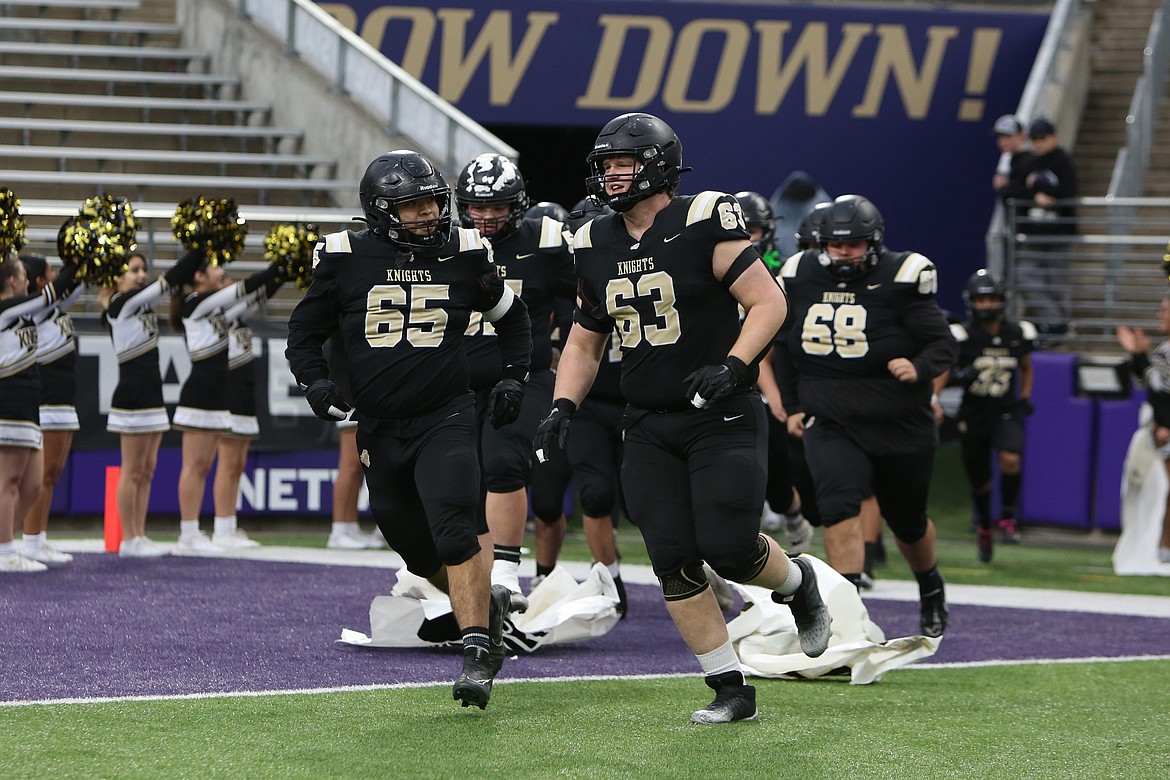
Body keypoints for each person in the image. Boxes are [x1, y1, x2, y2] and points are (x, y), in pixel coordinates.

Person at [534, 112, 831, 724]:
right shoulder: (593, 241)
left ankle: (799, 583)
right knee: (670, 554)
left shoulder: (704, 220)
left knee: (728, 545)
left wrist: (733, 364)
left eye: (626, 162)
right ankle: (729, 686)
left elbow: (769, 302)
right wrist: (564, 403)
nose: (613, 174)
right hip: (647, 419)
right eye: (607, 164)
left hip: (719, 412)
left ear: (660, 165)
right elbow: (586, 341)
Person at [285, 149, 531, 710]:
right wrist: (316, 384)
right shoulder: (346, 256)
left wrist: (515, 378)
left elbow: (511, 317)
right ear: (379, 211)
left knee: (452, 526)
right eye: (411, 206)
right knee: (411, 544)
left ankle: (475, 650)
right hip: (378, 424)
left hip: (445, 413)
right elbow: (303, 330)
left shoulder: (465, 252)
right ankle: (484, 612)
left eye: (430, 202)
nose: (427, 214)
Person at [773, 194, 957, 638]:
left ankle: (930, 587)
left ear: (873, 242)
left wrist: (920, 369)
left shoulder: (902, 277)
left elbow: (944, 345)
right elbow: (783, 346)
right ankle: (847, 615)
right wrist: (794, 404)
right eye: (835, 244)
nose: (843, 252)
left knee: (908, 523)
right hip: (831, 419)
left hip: (899, 421)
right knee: (838, 511)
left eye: (853, 244)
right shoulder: (800, 274)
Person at [454, 152, 576, 612]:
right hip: (460, 382)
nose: (486, 217)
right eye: (478, 208)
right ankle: (482, 586)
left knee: (505, 462)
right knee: (462, 480)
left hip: (525, 373)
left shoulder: (546, 240)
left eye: (497, 207)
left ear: (517, 204)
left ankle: (507, 572)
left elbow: (577, 309)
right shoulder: (448, 243)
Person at [170, 253, 283, 553]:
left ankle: (221, 529)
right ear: (198, 277)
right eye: (215, 268)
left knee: (210, 465)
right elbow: (241, 291)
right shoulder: (193, 303)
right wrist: (274, 265)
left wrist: (281, 273)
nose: (222, 272)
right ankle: (189, 533)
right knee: (195, 467)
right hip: (200, 394)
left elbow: (251, 298)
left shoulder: (216, 311)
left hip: (218, 396)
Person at [101, 249, 203, 557]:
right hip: (131, 397)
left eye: (144, 269)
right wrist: (198, 246)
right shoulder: (120, 304)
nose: (141, 275)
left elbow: (174, 281)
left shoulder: (139, 304)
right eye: (134, 270)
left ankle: (140, 534)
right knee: (132, 469)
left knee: (147, 469)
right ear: (118, 278)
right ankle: (128, 538)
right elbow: (171, 279)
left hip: (152, 394)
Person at [735, 191, 814, 554]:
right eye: (740, 228)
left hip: (763, 378)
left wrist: (780, 393)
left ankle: (792, 514)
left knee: (778, 482)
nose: (746, 236)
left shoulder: (784, 270)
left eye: (752, 229)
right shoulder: (704, 260)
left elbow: (779, 343)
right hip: (718, 379)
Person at [949, 270, 1036, 561]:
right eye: (981, 299)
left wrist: (1024, 396)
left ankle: (1009, 516)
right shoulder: (963, 335)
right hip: (974, 412)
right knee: (980, 481)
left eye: (992, 298)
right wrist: (952, 382)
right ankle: (985, 524)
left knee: (1011, 458)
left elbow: (1025, 366)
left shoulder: (1017, 332)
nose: (986, 305)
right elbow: (945, 372)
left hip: (1005, 409)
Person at [0, 251, 79, 573]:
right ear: (12, 280)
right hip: (8, 401)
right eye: (21, 273)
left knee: (32, 485)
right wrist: (74, 261)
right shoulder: (5, 309)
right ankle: (4, 551)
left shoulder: (26, 313)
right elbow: (52, 292)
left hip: (30, 404)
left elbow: (64, 293)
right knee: (9, 480)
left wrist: (85, 265)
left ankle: (7, 544)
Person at [209, 273, 285, 550]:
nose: (230, 282)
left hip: (244, 394)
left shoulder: (237, 316)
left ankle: (229, 524)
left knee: (238, 464)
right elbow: (252, 294)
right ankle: (221, 527)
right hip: (229, 392)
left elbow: (261, 295)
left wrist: (284, 272)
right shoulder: (219, 313)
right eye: (224, 280)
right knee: (228, 463)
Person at [1117, 294, 1170, 564]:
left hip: (1166, 428)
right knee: (1159, 490)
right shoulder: (1164, 349)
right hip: (1161, 428)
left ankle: (1164, 547)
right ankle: (1161, 547)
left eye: (1164, 310)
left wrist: (1166, 424)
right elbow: (1149, 384)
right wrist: (1138, 355)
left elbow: (1162, 391)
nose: (1160, 315)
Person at [1017, 118, 1078, 339]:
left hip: (1058, 233)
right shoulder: (1029, 163)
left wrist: (1050, 195)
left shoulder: (1063, 161)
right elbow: (1014, 191)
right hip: (1033, 233)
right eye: (1034, 139)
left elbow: (1069, 193)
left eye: (1042, 138)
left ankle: (1060, 328)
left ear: (1054, 138)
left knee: (1056, 283)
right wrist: (1034, 195)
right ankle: (1055, 322)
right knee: (1024, 276)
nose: (1039, 144)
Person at [990, 114, 1033, 204]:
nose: (1003, 141)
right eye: (1000, 137)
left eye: (1008, 136)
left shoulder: (1029, 160)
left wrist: (1003, 187)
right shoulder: (1014, 159)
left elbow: (1023, 191)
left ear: (1022, 136)